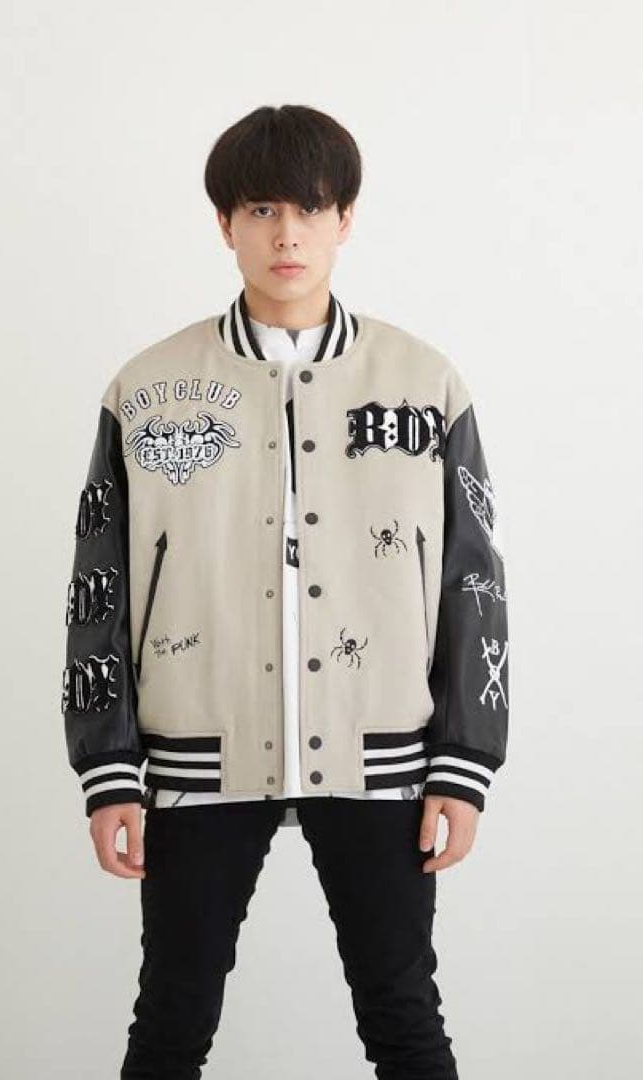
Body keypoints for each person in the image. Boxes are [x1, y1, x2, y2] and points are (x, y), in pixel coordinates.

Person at [61, 103, 510, 1079]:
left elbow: (473, 579)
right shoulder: (148, 388)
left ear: (346, 218)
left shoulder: (425, 384)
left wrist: (464, 760)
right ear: (224, 223)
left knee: (403, 1016)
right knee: (171, 1019)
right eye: (262, 210)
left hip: (381, 752)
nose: (287, 236)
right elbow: (100, 584)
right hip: (198, 751)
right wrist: (108, 768)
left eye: (310, 209)